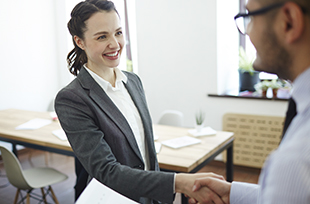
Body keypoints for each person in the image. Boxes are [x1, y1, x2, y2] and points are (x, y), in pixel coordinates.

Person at [55, 0, 225, 203]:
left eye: (118, 32)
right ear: (79, 42)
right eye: (102, 36)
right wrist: (178, 182)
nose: (115, 44)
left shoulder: (132, 81)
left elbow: (146, 152)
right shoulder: (72, 99)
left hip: (149, 197)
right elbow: (106, 171)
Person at [190, 0, 310, 203]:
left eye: (250, 18)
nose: (247, 32)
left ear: (288, 21)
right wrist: (232, 193)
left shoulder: (295, 160)